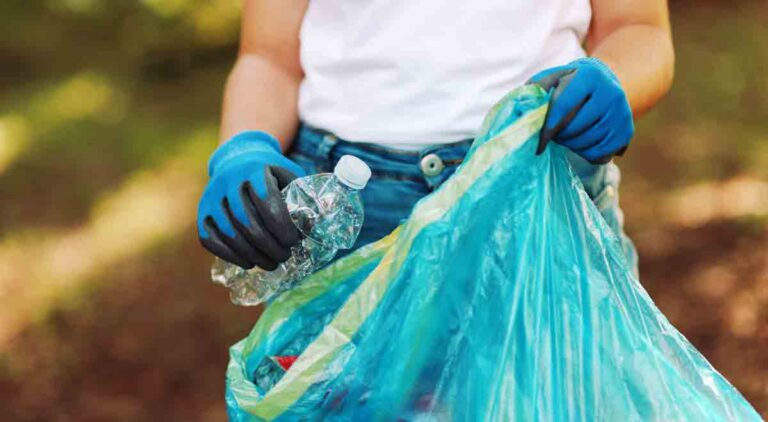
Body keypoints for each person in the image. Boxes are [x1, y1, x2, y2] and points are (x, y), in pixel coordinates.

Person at [196, 0, 674, 273]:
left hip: (538, 182)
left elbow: (638, 28)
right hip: (345, 211)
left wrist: (614, 81)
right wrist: (243, 149)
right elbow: (270, 56)